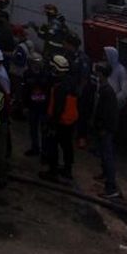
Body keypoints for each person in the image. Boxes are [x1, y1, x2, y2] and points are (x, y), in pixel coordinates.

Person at [41, 54, 79, 182]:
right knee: (67, 146)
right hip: (70, 122)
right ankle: (67, 170)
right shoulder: (71, 83)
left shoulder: (60, 87)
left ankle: (53, 171)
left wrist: (52, 125)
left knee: (53, 145)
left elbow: (58, 108)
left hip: (60, 122)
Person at [91, 62, 121, 199]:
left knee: (108, 156)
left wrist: (104, 128)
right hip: (102, 127)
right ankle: (105, 175)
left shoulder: (107, 91)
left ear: (101, 74)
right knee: (103, 155)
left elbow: (109, 113)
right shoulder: (104, 88)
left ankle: (111, 187)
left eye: (98, 72)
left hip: (105, 129)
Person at [22, 53, 51, 156]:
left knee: (44, 130)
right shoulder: (27, 74)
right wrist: (25, 105)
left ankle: (45, 152)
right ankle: (35, 148)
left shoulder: (46, 75)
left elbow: (48, 91)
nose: (36, 64)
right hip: (32, 106)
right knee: (33, 129)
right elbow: (25, 91)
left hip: (43, 107)